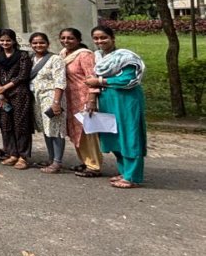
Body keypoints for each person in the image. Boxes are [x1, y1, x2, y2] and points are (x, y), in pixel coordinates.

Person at [86, 25, 147, 188]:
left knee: (129, 135)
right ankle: (125, 171)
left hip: (126, 99)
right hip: (107, 100)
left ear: (113, 38)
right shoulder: (98, 57)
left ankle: (132, 177)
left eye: (103, 37)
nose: (100, 41)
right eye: (96, 38)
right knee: (113, 136)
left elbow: (129, 80)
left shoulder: (126, 57)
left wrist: (101, 81)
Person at [58, 27, 105, 178]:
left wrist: (92, 100)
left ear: (78, 40)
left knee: (87, 132)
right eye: (63, 38)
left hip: (83, 97)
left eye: (70, 38)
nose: (66, 41)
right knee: (75, 131)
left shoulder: (85, 55)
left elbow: (92, 77)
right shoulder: (63, 54)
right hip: (70, 99)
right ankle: (85, 161)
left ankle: (94, 165)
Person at [0, 28, 33, 169]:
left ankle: (23, 156)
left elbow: (23, 75)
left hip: (19, 93)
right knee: (6, 124)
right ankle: (12, 153)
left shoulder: (22, 56)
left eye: (8, 40)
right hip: (3, 96)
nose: (5, 43)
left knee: (21, 124)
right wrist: (0, 92)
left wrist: (5, 87)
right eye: (2, 40)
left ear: (14, 41)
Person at [28, 32, 66, 174]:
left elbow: (60, 81)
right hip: (37, 98)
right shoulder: (31, 59)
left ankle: (57, 162)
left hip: (51, 97)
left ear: (48, 44)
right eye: (35, 43)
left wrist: (56, 102)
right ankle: (51, 158)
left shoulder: (55, 59)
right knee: (46, 128)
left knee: (55, 129)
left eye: (41, 42)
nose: (38, 45)